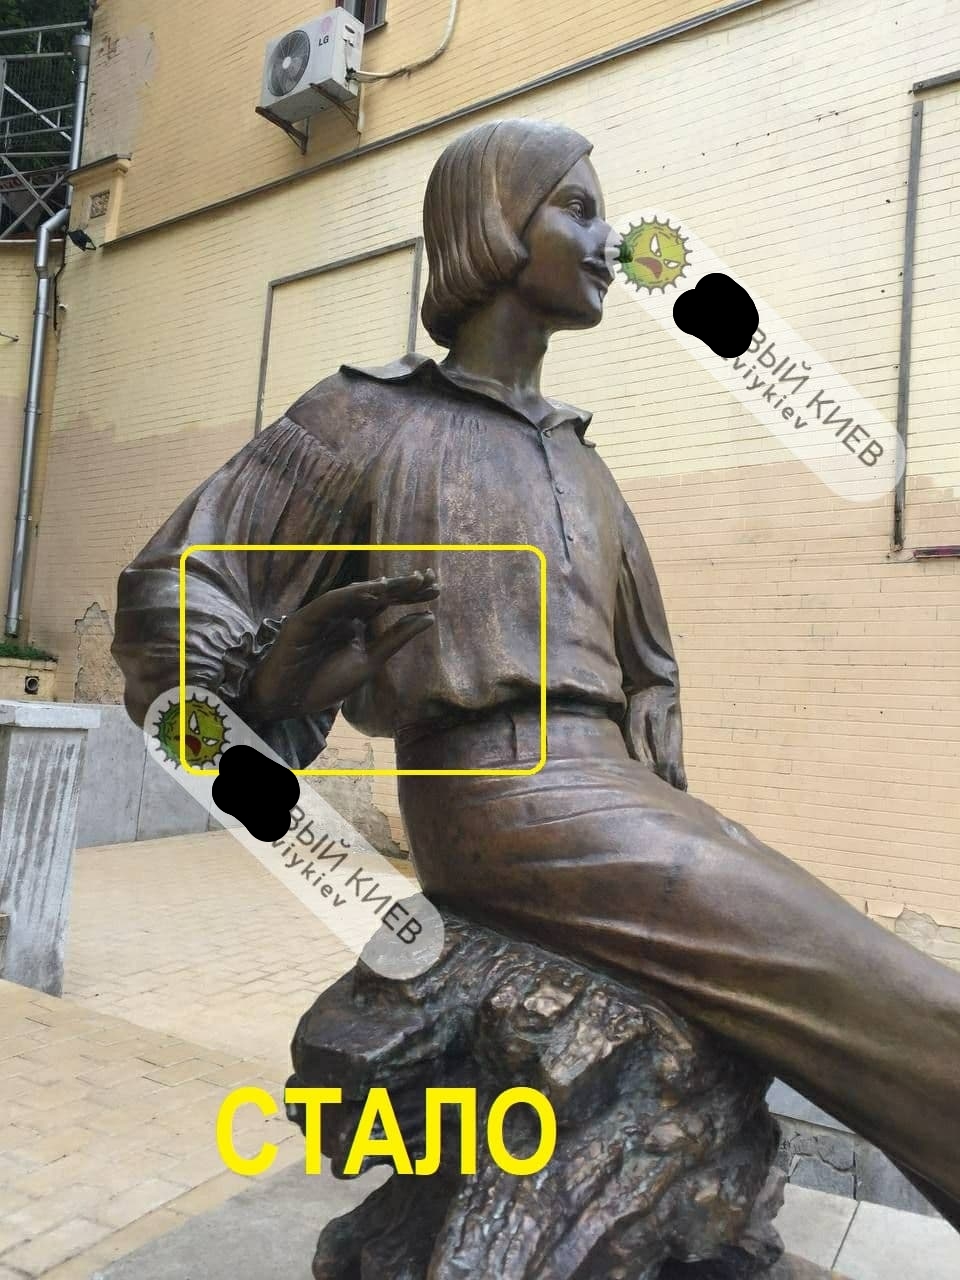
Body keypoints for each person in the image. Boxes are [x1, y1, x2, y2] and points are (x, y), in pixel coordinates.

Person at [112, 118, 960, 1225]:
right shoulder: (365, 416)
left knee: (832, 945)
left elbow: (650, 667)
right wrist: (270, 680)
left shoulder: (581, 460)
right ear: (493, 225)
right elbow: (171, 587)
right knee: (872, 983)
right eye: (579, 209)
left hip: (616, 794)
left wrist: (660, 768)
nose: (612, 242)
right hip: (497, 800)